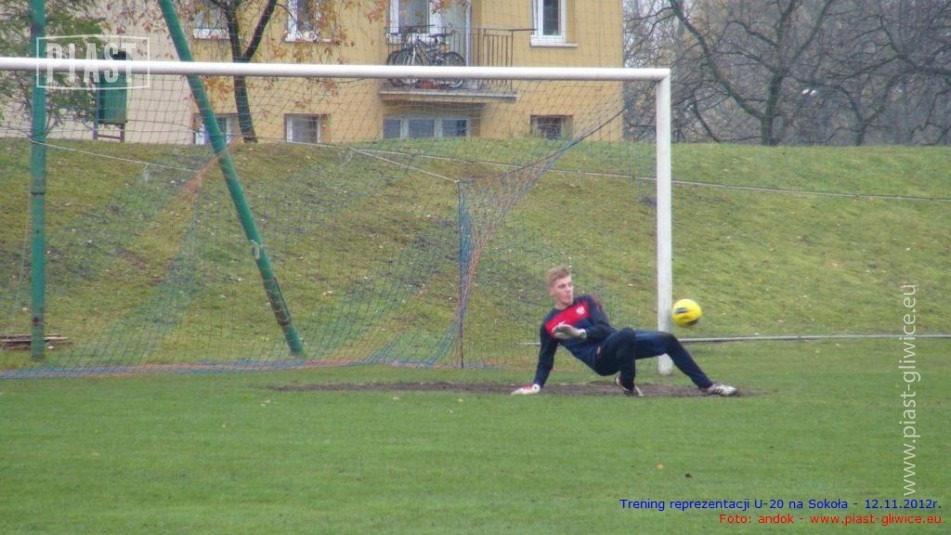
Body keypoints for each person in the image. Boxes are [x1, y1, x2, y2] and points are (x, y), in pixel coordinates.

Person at [512, 265, 737, 397]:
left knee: (668, 340)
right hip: (600, 359)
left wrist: (578, 333)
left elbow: (605, 329)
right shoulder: (549, 324)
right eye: (562, 286)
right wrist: (536, 386)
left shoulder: (587, 301)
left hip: (617, 343)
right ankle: (627, 383)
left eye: (570, 284)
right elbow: (545, 359)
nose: (568, 289)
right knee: (626, 334)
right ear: (551, 291)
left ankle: (707, 386)